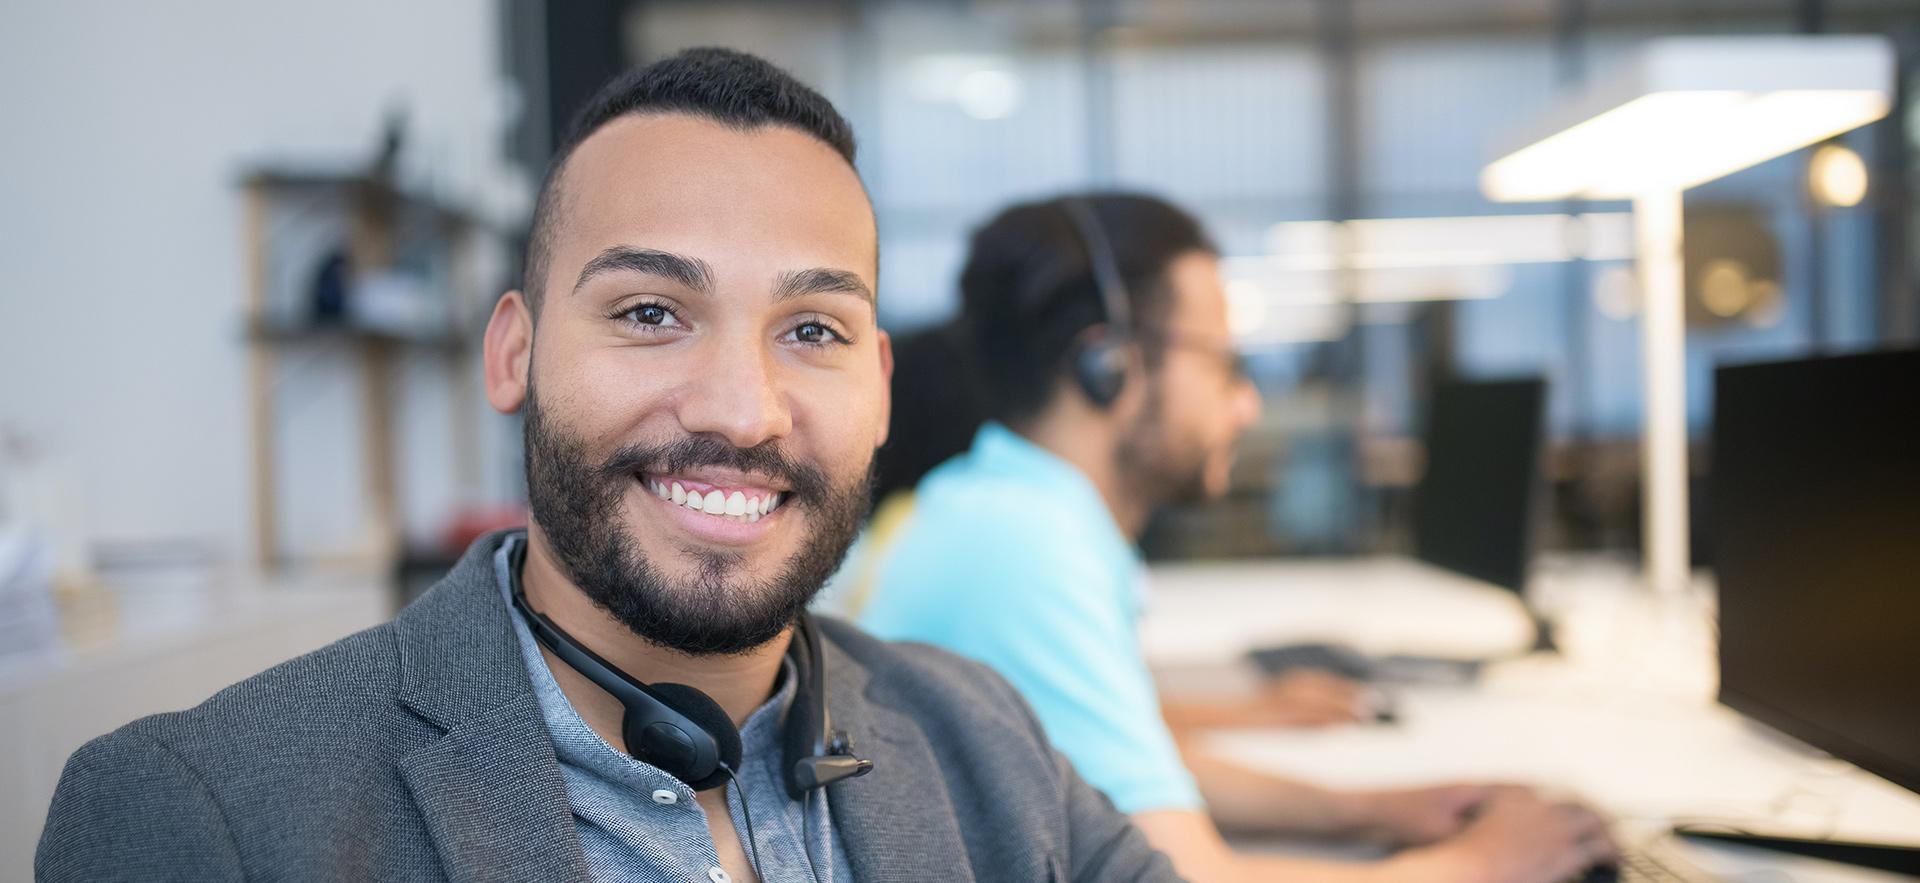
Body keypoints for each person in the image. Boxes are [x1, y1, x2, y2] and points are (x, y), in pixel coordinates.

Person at [35, 51, 1180, 883]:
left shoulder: (983, 738)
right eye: (650, 310)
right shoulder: (203, 814)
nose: (742, 409)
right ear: (514, 353)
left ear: (879, 387)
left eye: (813, 331)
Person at [856, 194, 1617, 883]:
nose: (1247, 403)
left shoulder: (1002, 504)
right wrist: (1482, 865)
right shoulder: (1024, 546)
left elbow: (1116, 772)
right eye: (1225, 364)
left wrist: (1368, 811)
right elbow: (1183, 876)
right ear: (1109, 365)